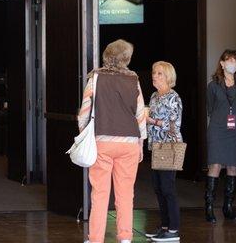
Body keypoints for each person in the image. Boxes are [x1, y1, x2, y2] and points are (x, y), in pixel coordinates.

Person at [77, 39, 146, 243]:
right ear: (126, 58)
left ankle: (96, 238)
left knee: (99, 193)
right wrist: (141, 142)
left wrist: (84, 134)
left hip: (102, 142)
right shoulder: (134, 80)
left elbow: (84, 113)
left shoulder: (95, 78)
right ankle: (125, 238)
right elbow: (140, 114)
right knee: (126, 194)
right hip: (130, 143)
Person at [205, 49, 236, 223]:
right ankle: (209, 207)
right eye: (229, 60)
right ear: (222, 63)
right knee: (215, 164)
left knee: (233, 165)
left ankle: (228, 206)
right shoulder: (213, 85)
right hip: (217, 128)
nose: (233, 63)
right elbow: (210, 108)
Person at [145, 61, 182, 242]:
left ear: (168, 77)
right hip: (155, 146)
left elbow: (174, 126)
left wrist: (152, 121)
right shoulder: (153, 96)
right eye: (154, 72)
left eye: (159, 73)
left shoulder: (173, 97)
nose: (154, 76)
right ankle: (165, 226)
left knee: (168, 188)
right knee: (158, 188)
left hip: (169, 146)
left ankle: (174, 230)